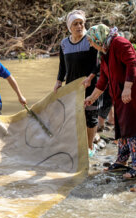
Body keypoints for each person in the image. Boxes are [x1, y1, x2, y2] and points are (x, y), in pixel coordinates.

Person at [84, 24, 136, 179]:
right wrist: (92, 98)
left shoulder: (120, 43)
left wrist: (128, 87)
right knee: (122, 127)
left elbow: (132, 64)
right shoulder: (104, 52)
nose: (90, 44)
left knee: (134, 127)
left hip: (134, 92)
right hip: (121, 94)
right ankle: (122, 162)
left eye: (91, 41)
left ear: (98, 37)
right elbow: (103, 80)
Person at [54, 10, 99, 156]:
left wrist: (90, 79)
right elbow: (62, 65)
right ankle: (77, 145)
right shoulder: (64, 44)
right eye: (75, 24)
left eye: (81, 23)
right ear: (69, 27)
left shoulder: (89, 40)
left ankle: (90, 146)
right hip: (72, 86)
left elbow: (97, 64)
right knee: (74, 117)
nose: (79, 26)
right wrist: (59, 81)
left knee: (90, 117)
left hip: (90, 85)